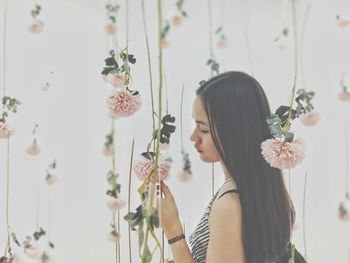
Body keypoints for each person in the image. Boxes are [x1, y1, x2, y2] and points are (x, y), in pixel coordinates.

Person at [158, 71, 307, 263]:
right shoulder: (269, 192)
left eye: (203, 129)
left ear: (233, 131)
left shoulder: (229, 206)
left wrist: (173, 230)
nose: (194, 136)